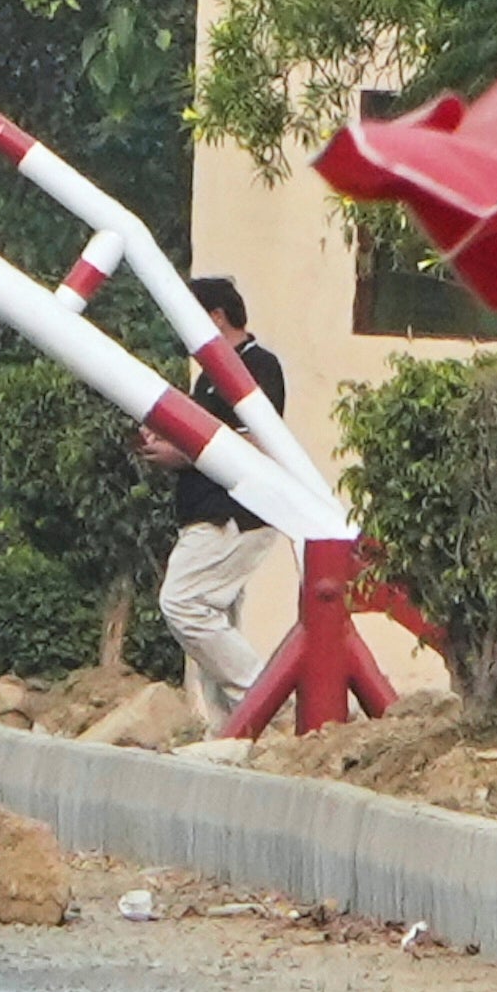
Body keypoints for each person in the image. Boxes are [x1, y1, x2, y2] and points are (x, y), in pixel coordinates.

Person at [141, 275, 289, 732]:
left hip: (235, 515)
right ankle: (232, 730)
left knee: (183, 603)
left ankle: (267, 702)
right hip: (205, 511)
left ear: (216, 317)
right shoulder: (209, 378)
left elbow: (256, 441)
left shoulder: (258, 366)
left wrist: (181, 452)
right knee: (213, 623)